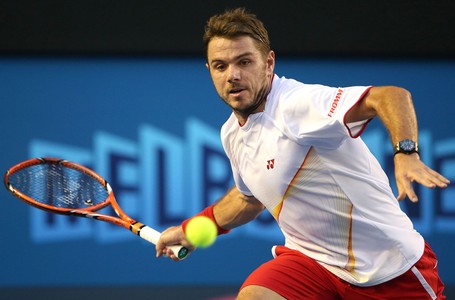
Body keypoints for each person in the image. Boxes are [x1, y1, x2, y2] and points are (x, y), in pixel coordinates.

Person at [156, 7, 450, 300]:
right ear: (209, 71)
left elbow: (390, 96)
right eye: (220, 66)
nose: (233, 75)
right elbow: (248, 199)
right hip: (311, 264)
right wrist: (190, 231)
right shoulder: (232, 133)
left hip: (389, 271)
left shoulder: (296, 104)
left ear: (269, 63)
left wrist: (406, 153)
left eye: (244, 62)